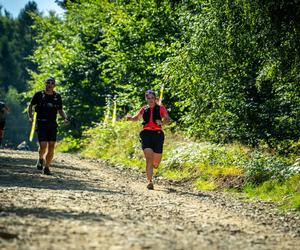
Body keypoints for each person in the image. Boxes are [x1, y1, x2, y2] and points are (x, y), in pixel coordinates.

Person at [127, 89, 170, 190]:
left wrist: (162, 122)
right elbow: (136, 118)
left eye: (152, 98)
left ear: (155, 98)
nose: (150, 100)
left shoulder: (161, 108)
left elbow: (168, 119)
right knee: (149, 159)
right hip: (146, 134)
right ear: (146, 99)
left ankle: (155, 165)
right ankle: (149, 181)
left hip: (158, 134)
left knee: (156, 162)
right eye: (148, 98)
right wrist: (130, 118)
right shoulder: (144, 109)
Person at [27, 77, 68, 175]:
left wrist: (65, 118)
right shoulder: (38, 95)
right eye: (48, 82)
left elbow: (60, 110)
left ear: (54, 85)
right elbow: (30, 106)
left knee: (52, 146)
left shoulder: (57, 96)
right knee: (43, 146)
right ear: (45, 84)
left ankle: (47, 167)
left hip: (52, 124)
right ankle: (41, 159)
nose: (50, 84)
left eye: (52, 83)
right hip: (41, 123)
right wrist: (30, 116)